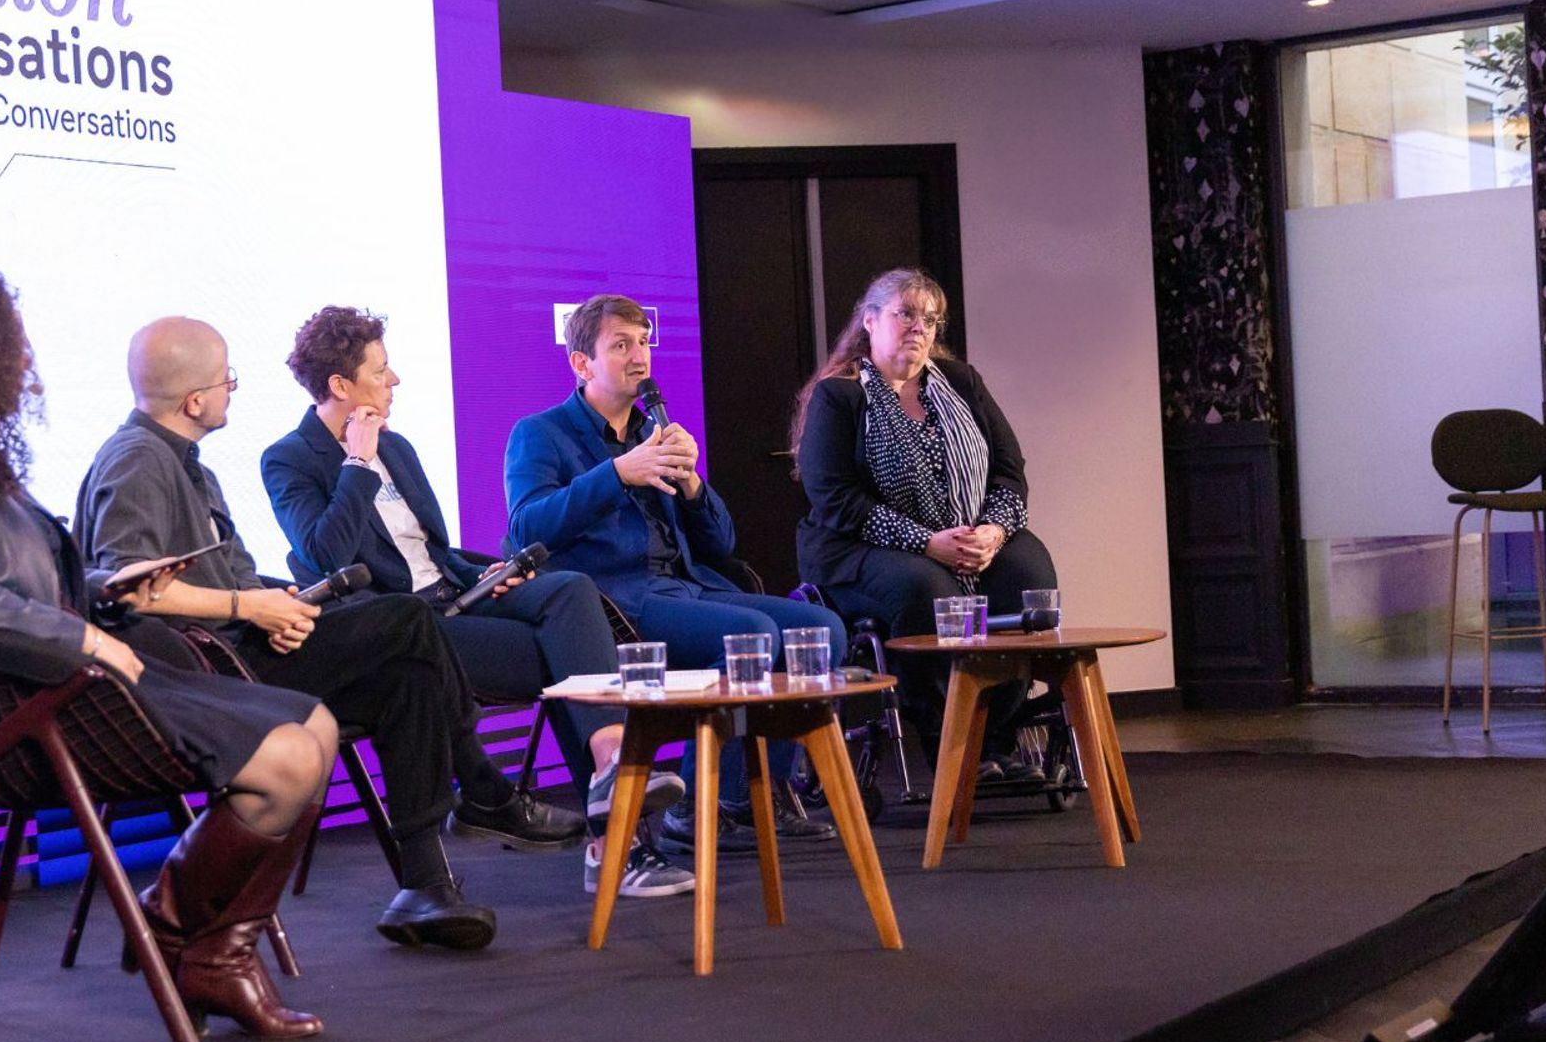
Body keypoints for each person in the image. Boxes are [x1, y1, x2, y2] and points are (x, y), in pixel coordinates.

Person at [0, 270, 334, 1040]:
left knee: (316, 728)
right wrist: (80, 634)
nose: (27, 370)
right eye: (13, 352)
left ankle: (205, 946)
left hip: (69, 685)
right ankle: (185, 936)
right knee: (286, 759)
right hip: (29, 709)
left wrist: (109, 584)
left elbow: (31, 582)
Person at [75, 316, 585, 952]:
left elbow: (211, 575)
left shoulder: (188, 467)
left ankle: (425, 887)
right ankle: (484, 790)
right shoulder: (139, 462)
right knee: (406, 618)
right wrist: (249, 605)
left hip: (241, 643)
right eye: (227, 380)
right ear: (195, 399)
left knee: (407, 677)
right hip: (201, 675)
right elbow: (125, 589)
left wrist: (273, 598)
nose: (233, 391)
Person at [261, 305, 693, 900]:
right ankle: (617, 846)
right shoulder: (290, 458)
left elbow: (429, 552)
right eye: (381, 371)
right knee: (568, 662)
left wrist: (486, 572)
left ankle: (611, 765)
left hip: (454, 598)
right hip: (400, 630)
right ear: (341, 385)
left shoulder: (401, 447)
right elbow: (326, 555)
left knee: (569, 590)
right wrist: (357, 462)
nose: (395, 382)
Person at [504, 293, 846, 853]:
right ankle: (697, 805)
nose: (640, 356)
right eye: (621, 345)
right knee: (750, 636)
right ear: (581, 363)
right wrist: (617, 473)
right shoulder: (540, 433)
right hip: (614, 599)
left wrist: (691, 485)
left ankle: (760, 791)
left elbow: (722, 543)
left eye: (643, 342)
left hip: (686, 585)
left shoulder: (652, 431)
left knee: (822, 628)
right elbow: (526, 529)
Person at [793, 267, 1059, 778]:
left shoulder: (961, 383)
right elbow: (835, 500)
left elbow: (1009, 472)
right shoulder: (840, 396)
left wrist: (994, 532)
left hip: (966, 534)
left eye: (931, 319)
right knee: (928, 587)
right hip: (857, 547)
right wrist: (925, 541)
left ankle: (997, 741)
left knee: (1028, 575)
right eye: (906, 314)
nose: (920, 327)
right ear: (870, 321)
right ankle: (951, 748)